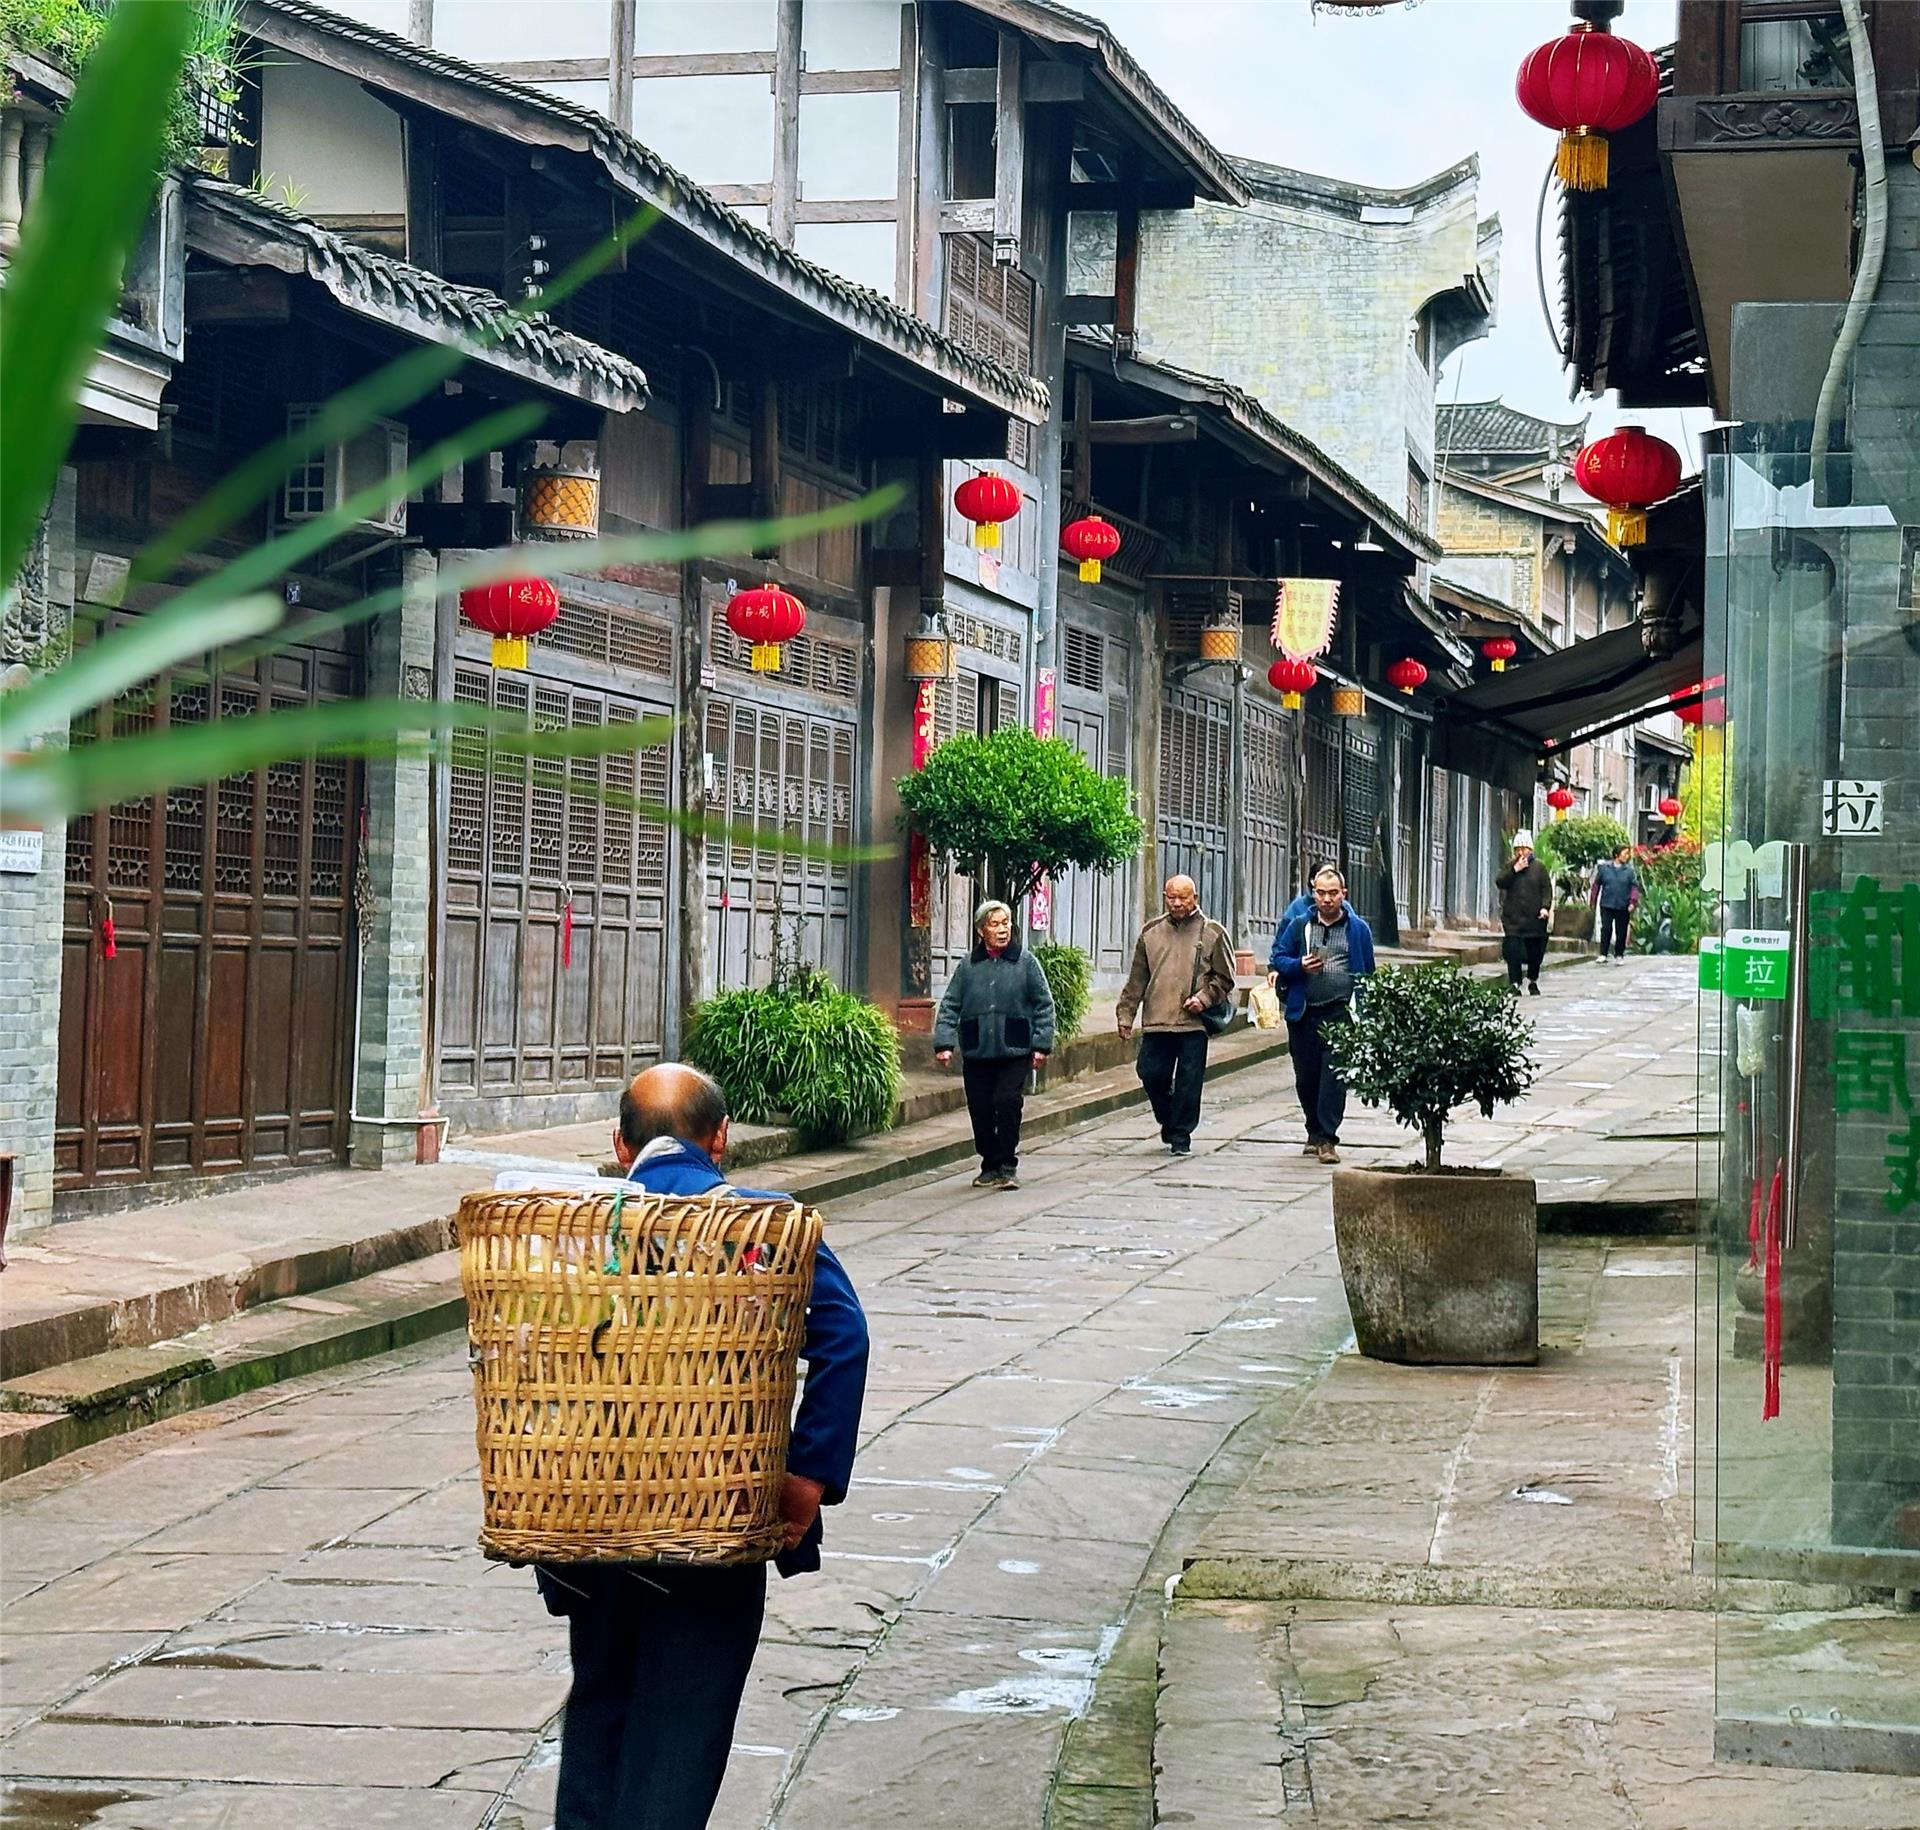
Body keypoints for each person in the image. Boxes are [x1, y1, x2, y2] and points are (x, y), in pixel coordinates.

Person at [537, 1063, 868, 1830]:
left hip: (591, 1515)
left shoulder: (578, 1233)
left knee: (602, 1703)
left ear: (621, 1147)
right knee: (681, 1724)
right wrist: (807, 1477)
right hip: (716, 1510)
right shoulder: (760, 1228)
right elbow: (843, 1337)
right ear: (721, 1139)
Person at [933, 899, 1056, 1191]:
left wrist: (1041, 1045)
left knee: (1007, 1102)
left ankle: (1007, 1164)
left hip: (1015, 1048)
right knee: (981, 1108)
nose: (1002, 930)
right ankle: (989, 1163)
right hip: (978, 1049)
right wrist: (944, 1042)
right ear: (980, 931)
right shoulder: (968, 966)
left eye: (1005, 924)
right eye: (994, 924)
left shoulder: (1026, 962)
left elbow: (1044, 1005)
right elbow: (950, 1005)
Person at [1116, 874, 1236, 1157]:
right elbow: (1137, 979)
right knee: (1150, 1073)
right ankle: (1169, 1119)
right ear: (1164, 896)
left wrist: (1204, 999)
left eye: (1183, 897)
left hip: (1192, 1023)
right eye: (1172, 897)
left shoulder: (1213, 933)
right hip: (1157, 1019)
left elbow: (1225, 978)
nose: (1177, 903)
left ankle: (1181, 1135)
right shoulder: (1150, 932)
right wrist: (1126, 1014)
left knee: (1188, 1081)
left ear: (1195, 897)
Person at [1271, 864, 1376, 1164]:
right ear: (1312, 894)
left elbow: (1367, 973)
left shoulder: (1358, 929)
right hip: (1304, 1013)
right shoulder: (1300, 924)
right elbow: (1279, 956)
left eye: (1333, 893)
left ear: (1344, 894)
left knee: (1334, 1077)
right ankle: (1313, 1130)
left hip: (1340, 1012)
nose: (1327, 899)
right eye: (1321, 893)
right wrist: (1299, 966)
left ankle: (1328, 1138)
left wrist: (1366, 1012)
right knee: (1306, 1077)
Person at [1497, 828, 1554, 995]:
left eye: (1524, 850)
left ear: (1531, 850)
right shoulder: (1510, 867)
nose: (1521, 853)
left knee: (1535, 952)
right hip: (1513, 919)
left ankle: (1532, 980)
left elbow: (1546, 890)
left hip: (1535, 919)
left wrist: (1545, 907)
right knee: (1512, 950)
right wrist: (1515, 870)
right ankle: (1514, 983)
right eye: (1518, 850)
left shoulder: (1539, 868)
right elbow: (1500, 882)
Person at [1590, 842, 1641, 961]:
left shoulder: (1629, 871)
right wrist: (1593, 900)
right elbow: (1596, 885)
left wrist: (1632, 902)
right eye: (1625, 853)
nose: (1627, 856)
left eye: (1628, 854)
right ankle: (1603, 953)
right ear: (1617, 854)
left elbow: (1634, 887)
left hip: (1623, 905)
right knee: (1606, 929)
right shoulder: (1604, 869)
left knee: (1621, 931)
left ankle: (1619, 954)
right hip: (1607, 903)